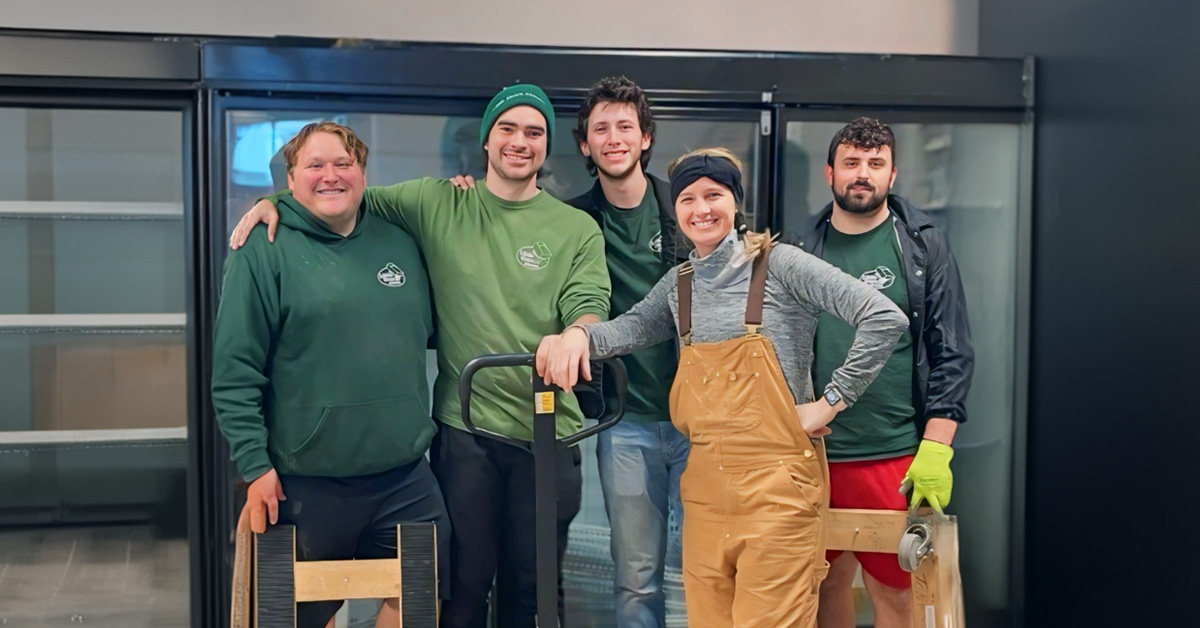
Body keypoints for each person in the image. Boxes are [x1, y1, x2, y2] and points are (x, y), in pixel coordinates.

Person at [228, 84, 612, 628]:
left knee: (535, 589)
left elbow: (589, 300)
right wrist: (276, 201)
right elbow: (337, 190)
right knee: (462, 587)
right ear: (485, 140)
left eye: (534, 132)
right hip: (466, 430)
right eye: (507, 128)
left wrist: (578, 333)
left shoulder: (575, 227)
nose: (519, 142)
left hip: (548, 432)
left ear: (548, 147)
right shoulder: (437, 202)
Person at [534, 148, 909, 628]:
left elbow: (884, 317)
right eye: (687, 199)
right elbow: (627, 329)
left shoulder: (782, 265)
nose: (700, 209)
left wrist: (830, 402)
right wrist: (578, 335)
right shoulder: (681, 284)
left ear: (736, 203)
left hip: (779, 494)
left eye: (714, 195)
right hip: (705, 491)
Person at [212, 121, 450, 628]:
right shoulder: (263, 248)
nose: (331, 176)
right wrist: (255, 466)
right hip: (303, 485)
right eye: (314, 166)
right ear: (290, 181)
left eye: (343, 164)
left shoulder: (401, 242)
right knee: (291, 615)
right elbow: (235, 371)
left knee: (419, 606)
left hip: (404, 478)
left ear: (363, 174)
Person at [787, 117, 975, 628]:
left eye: (875, 164)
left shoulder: (922, 247)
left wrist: (937, 446)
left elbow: (952, 351)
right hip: (814, 456)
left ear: (894, 175)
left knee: (896, 594)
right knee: (821, 593)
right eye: (851, 163)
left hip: (892, 454)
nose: (862, 174)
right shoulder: (798, 249)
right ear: (830, 173)